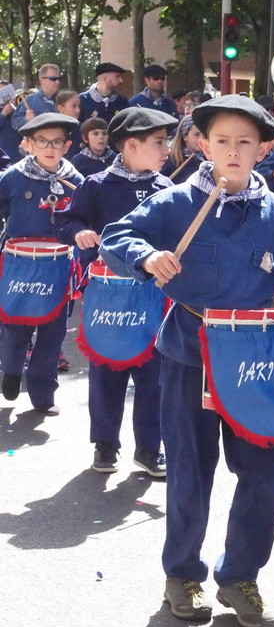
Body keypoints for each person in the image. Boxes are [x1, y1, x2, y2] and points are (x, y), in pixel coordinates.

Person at [99, 95, 274, 627]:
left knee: (264, 475)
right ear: (203, 145)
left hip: (256, 360)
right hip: (189, 354)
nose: (233, 151)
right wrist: (146, 256)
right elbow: (117, 238)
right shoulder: (174, 203)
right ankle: (182, 573)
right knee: (190, 471)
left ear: (264, 149)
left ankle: (240, 576)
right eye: (222, 141)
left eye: (245, 142)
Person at [55, 108, 177, 476]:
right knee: (107, 368)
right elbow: (68, 220)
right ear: (132, 145)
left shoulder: (166, 188)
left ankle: (150, 447)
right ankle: (105, 444)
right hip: (108, 293)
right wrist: (78, 232)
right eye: (159, 142)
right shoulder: (96, 185)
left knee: (154, 375)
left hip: (154, 294)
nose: (167, 150)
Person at [0, 113, 83, 413]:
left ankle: (43, 393)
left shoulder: (76, 181)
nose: (50, 148)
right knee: (15, 324)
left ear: (67, 145)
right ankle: (11, 369)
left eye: (57, 142)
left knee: (53, 331)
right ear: (29, 144)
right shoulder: (12, 177)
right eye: (42, 141)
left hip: (58, 264)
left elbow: (84, 218)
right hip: (18, 262)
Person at [78, 62, 130, 127]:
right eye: (117, 76)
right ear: (105, 79)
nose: (121, 81)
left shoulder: (122, 101)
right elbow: (76, 127)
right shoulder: (82, 100)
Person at [10, 63, 60, 131]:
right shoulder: (29, 100)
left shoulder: (64, 99)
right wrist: (26, 119)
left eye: (59, 79)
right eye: (53, 78)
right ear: (42, 80)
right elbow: (14, 122)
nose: (58, 82)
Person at [162, 116, 205, 185]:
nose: (201, 139)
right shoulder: (171, 160)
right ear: (185, 136)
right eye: (197, 134)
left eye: (205, 135)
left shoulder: (209, 160)